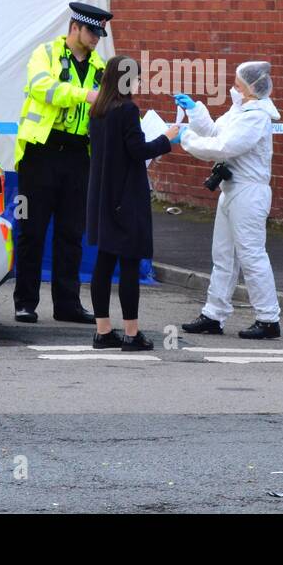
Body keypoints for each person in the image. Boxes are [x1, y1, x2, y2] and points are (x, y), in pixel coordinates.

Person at [12, 1, 111, 325]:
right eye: (92, 31)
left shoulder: (100, 67)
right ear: (75, 28)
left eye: (100, 32)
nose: (97, 37)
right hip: (40, 152)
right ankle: (25, 303)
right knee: (32, 230)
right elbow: (43, 88)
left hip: (78, 156)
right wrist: (84, 96)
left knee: (71, 232)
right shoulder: (45, 54)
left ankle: (67, 304)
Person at [173, 62, 282, 339]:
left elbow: (223, 147)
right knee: (223, 255)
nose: (233, 87)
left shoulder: (255, 117)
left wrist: (187, 139)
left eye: (237, 83)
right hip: (232, 188)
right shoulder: (240, 110)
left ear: (250, 88)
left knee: (252, 255)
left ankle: (268, 318)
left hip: (249, 193)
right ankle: (214, 313)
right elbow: (214, 132)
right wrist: (195, 112)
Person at [85, 55, 181, 351]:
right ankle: (131, 333)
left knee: (103, 262)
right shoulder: (127, 110)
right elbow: (138, 151)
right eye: (136, 77)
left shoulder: (97, 110)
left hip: (102, 195)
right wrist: (166, 138)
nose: (138, 83)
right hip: (126, 197)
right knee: (128, 263)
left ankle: (103, 331)